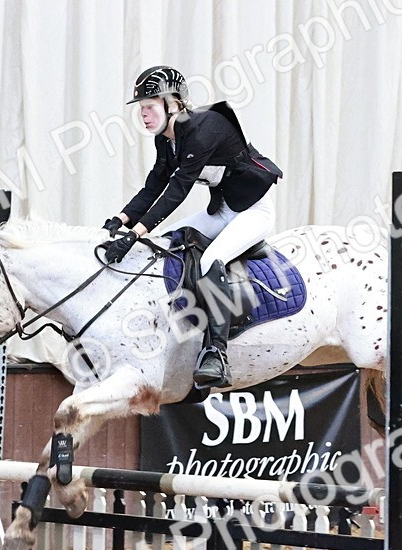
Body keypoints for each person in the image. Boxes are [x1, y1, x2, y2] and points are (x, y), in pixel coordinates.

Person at [101, 65, 282, 389]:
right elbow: (153, 186)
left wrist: (133, 234)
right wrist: (121, 220)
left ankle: (216, 353)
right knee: (165, 241)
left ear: (174, 104)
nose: (143, 115)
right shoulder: (166, 140)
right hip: (223, 210)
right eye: (141, 108)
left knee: (212, 260)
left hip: (253, 211)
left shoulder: (204, 127)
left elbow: (178, 190)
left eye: (150, 106)